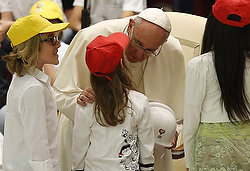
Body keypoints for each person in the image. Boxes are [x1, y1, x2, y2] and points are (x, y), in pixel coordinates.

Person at [54, 8, 185, 171]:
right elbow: (61, 93)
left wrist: (171, 127)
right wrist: (82, 102)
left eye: (150, 51)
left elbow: (176, 112)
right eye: (137, 43)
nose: (140, 54)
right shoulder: (92, 37)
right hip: (92, 137)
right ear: (130, 26)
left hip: (147, 138)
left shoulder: (171, 50)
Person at [72, 32, 155, 171]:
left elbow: (79, 150)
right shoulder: (140, 102)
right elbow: (147, 151)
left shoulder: (85, 105)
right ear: (121, 64)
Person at [183, 0, 250, 170]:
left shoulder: (198, 66)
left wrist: (189, 164)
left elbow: (191, 122)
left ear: (213, 26)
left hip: (210, 150)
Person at [2, 13, 69, 171]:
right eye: (51, 39)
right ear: (32, 47)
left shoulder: (23, 78)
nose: (58, 44)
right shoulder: (34, 88)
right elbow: (39, 153)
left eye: (57, 38)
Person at [29, 0, 70, 85]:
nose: (45, 29)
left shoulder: (68, 51)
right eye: (40, 23)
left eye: (49, 23)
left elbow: (62, 89)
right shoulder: (25, 54)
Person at [69, 0, 147, 32]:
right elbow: (73, 22)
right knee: (67, 33)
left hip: (116, 34)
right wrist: (92, 32)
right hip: (92, 30)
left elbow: (124, 26)